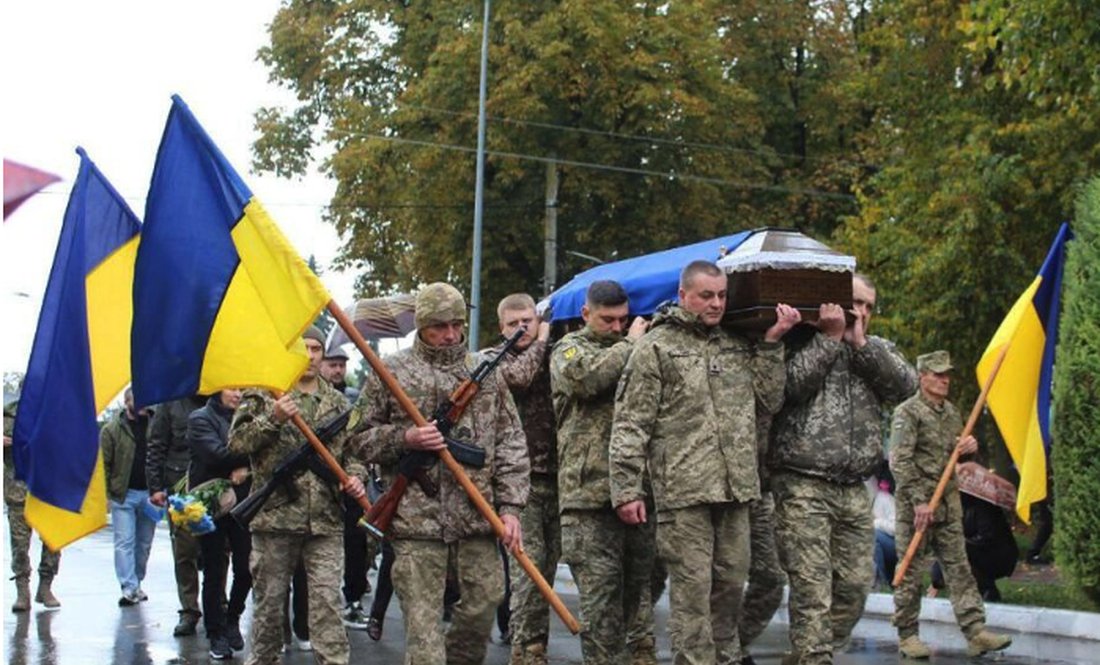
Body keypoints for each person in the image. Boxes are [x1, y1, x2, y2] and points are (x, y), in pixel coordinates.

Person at [610, 260, 798, 664]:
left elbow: (769, 401)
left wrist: (771, 343)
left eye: (722, 296)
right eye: (706, 296)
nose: (716, 304)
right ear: (683, 296)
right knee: (692, 593)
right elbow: (630, 423)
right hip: (684, 492)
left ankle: (725, 657)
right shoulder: (655, 347)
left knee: (730, 585)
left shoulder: (737, 343)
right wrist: (626, 489)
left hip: (735, 489)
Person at [354, 282, 529, 664]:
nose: (450, 334)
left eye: (456, 325)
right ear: (422, 326)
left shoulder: (484, 373)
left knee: (486, 602)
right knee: (423, 633)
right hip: (416, 524)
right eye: (439, 326)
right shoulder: (392, 372)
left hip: (476, 518)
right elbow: (357, 439)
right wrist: (406, 438)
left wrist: (511, 507)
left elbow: (511, 442)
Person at [768, 273, 918, 665]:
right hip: (802, 483)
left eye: (868, 305)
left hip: (853, 487)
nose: (861, 311)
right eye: (855, 302)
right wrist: (830, 339)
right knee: (812, 588)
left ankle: (806, 655)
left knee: (854, 587)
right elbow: (788, 388)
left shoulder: (875, 349)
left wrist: (861, 345)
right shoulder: (800, 340)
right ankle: (814, 655)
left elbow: (906, 388)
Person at [229, 326, 367, 665]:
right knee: (269, 606)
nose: (309, 356)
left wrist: (356, 478)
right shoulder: (264, 396)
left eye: (316, 349)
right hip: (275, 519)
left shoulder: (339, 403)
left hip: (325, 521)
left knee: (327, 606)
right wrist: (272, 419)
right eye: (302, 348)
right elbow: (237, 444)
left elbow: (354, 453)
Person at [550, 279, 658, 665]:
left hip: (637, 494)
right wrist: (631, 343)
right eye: (607, 320)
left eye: (622, 320)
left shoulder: (638, 350)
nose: (616, 327)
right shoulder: (569, 349)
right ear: (586, 314)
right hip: (587, 499)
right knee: (601, 609)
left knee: (636, 600)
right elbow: (587, 379)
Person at [890, 350, 1012, 659]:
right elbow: (899, 462)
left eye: (947, 374)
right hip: (916, 508)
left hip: (947, 504)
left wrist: (968, 448)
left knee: (960, 568)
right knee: (910, 572)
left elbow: (957, 457)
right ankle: (907, 635)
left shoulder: (952, 413)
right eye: (938, 374)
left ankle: (975, 632)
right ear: (923, 377)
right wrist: (919, 502)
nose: (945, 380)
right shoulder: (908, 413)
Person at [483, 293, 560, 665]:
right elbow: (519, 378)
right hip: (517, 483)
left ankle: (536, 645)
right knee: (528, 570)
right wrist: (542, 340)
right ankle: (526, 651)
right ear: (502, 328)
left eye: (527, 321)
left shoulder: (554, 354)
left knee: (548, 568)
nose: (521, 328)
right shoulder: (492, 359)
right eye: (513, 323)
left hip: (558, 477)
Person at [187, 389, 252, 659]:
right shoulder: (200, 418)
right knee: (214, 570)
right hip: (212, 504)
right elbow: (217, 455)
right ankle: (215, 632)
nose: (237, 394)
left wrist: (247, 467)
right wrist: (247, 460)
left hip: (244, 504)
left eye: (241, 389)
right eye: (232, 388)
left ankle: (233, 617)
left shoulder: (248, 417)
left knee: (246, 568)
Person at [321, 347, 372, 630]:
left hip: (350, 481)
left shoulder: (354, 398)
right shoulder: (311, 398)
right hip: (318, 484)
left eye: (341, 365)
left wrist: (357, 475)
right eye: (332, 364)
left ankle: (353, 599)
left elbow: (360, 440)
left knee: (356, 542)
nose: (338, 370)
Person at [147, 393, 205, 636]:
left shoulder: (222, 395)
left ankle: (219, 605)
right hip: (180, 484)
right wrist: (155, 486)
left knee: (218, 551)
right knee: (184, 551)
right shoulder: (170, 401)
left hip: (214, 483)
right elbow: (157, 444)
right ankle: (189, 609)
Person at [737, 405, 789, 665]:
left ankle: (733, 643)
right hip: (717, 490)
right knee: (718, 579)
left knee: (771, 579)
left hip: (761, 490)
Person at [101, 388, 157, 607]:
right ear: (127, 402)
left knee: (144, 544)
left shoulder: (156, 424)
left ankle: (137, 582)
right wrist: (107, 494)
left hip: (152, 495)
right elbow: (104, 464)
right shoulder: (111, 430)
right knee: (124, 542)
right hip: (123, 495)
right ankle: (128, 587)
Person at [4, 399, 62, 612]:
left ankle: (45, 585)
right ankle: (22, 590)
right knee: (20, 545)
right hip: (18, 490)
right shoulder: (8, 416)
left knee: (52, 540)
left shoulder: (55, 414)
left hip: (48, 489)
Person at [871, 466, 897, 590]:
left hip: (894, 545)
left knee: (873, 536)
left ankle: (880, 582)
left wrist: (875, 522)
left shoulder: (885, 499)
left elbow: (895, 528)